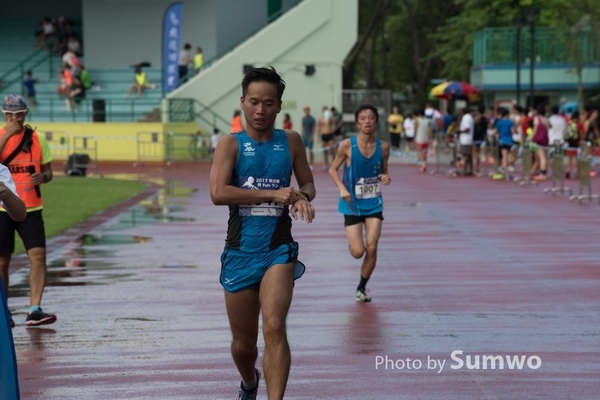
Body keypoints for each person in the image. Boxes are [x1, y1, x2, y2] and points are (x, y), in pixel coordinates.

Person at [209, 67, 315, 400]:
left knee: (273, 326)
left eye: (268, 103)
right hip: (240, 253)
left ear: (279, 106)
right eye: (254, 102)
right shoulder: (230, 144)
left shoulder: (292, 141)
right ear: (242, 102)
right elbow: (218, 193)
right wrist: (273, 194)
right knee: (244, 346)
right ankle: (249, 380)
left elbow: (308, 183)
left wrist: (300, 197)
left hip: (278, 250)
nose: (260, 110)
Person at [0, 95, 56, 328]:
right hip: (2, 209)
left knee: (38, 256)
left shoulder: (37, 138)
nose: (16, 118)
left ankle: (34, 308)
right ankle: (4, 312)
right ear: (4, 115)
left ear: (26, 113)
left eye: (20, 113)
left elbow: (49, 171)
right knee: (2, 262)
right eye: (11, 114)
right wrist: (7, 136)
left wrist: (42, 177)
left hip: (31, 205)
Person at [328, 104, 390, 302]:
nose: (367, 121)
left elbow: (384, 172)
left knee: (372, 247)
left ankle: (362, 287)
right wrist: (342, 188)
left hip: (374, 203)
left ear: (376, 122)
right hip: (352, 204)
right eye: (363, 118)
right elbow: (332, 169)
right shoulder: (348, 145)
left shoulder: (384, 147)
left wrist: (386, 178)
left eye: (371, 118)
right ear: (357, 123)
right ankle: (353, 245)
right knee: (358, 251)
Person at [458, 107, 475, 176]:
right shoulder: (470, 117)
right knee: (469, 155)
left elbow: (467, 129)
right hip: (468, 139)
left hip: (465, 139)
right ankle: (470, 170)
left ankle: (465, 170)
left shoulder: (466, 117)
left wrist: (459, 131)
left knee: (465, 155)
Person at [318, 106, 335, 170]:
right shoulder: (320, 119)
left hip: (330, 134)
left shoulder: (330, 119)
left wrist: (329, 117)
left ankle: (334, 164)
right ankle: (326, 164)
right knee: (325, 151)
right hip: (323, 135)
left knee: (332, 150)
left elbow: (333, 122)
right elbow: (319, 128)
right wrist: (318, 137)